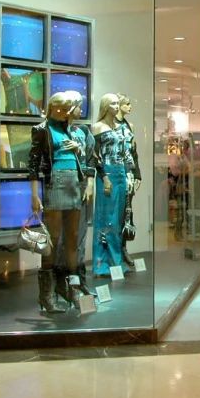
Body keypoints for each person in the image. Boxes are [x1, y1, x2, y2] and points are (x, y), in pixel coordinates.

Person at [28, 92, 85, 312]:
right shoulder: (42, 130)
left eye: (66, 109)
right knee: (52, 239)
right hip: (55, 184)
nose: (63, 113)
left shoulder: (69, 129)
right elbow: (33, 164)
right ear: (51, 108)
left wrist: (78, 150)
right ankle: (46, 293)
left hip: (73, 184)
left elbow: (78, 158)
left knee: (72, 239)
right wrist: (35, 195)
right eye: (59, 109)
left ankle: (71, 288)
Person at [55, 90, 97, 298]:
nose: (82, 109)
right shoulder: (54, 130)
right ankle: (62, 282)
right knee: (64, 237)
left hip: (81, 187)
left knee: (80, 235)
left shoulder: (84, 132)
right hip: (63, 187)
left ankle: (78, 280)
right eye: (79, 105)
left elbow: (91, 159)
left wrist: (90, 183)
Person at [91, 93, 134, 276]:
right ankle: (102, 263)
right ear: (106, 106)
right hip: (106, 173)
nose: (117, 106)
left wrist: (130, 175)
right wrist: (104, 177)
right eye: (113, 103)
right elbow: (94, 156)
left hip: (121, 173)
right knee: (105, 218)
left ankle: (117, 261)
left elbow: (127, 154)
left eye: (118, 103)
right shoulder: (97, 128)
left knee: (118, 219)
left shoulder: (121, 128)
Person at [114, 93, 141, 266]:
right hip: (116, 171)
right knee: (116, 211)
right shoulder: (110, 126)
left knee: (128, 211)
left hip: (129, 171)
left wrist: (137, 174)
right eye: (128, 104)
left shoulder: (129, 126)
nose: (130, 107)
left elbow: (134, 152)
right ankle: (114, 249)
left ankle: (124, 248)